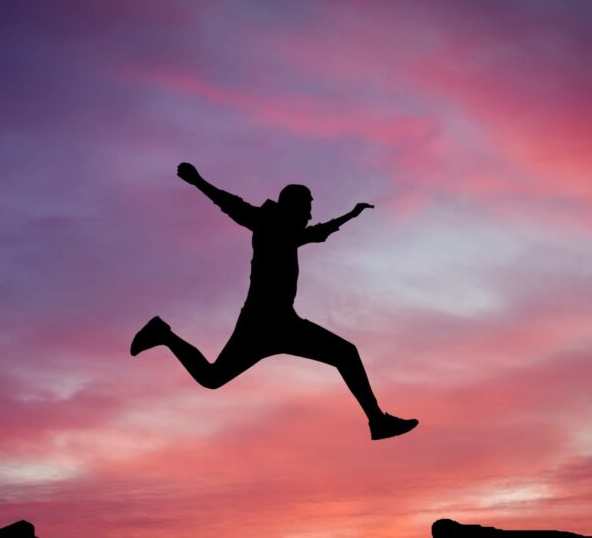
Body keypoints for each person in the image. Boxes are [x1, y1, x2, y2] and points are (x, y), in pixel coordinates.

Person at [131, 162, 418, 440]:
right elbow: (229, 203)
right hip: (261, 324)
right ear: (291, 206)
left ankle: (377, 421)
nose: (308, 214)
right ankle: (164, 335)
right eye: (306, 208)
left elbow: (318, 233)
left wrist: (350, 215)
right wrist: (198, 181)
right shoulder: (265, 223)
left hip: (283, 323)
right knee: (213, 378)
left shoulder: (290, 233)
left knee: (344, 354)